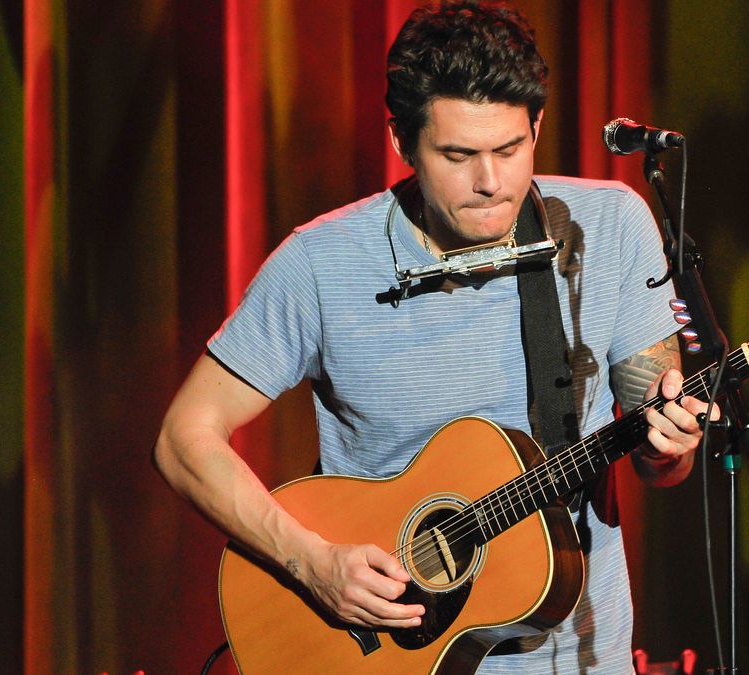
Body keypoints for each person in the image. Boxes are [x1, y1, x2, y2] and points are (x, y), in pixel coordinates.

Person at [153, 1, 714, 672]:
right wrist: (312, 562)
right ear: (402, 142)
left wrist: (673, 442)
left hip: (581, 656)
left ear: (537, 124)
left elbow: (663, 464)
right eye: (458, 155)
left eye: (510, 149)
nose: (491, 182)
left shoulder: (609, 227)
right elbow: (185, 435)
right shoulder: (320, 262)